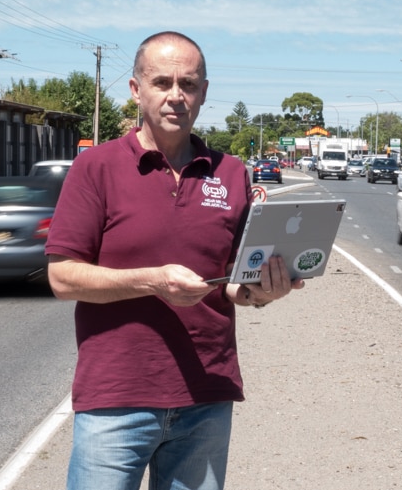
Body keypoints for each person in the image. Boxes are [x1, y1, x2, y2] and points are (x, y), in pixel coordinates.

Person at [44, 31, 304, 490]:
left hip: (206, 396)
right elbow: (63, 278)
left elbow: (230, 281)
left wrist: (262, 293)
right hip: (115, 400)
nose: (175, 96)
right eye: (162, 82)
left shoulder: (230, 172)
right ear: (136, 90)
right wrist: (153, 281)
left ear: (204, 92)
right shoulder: (96, 168)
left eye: (188, 84)